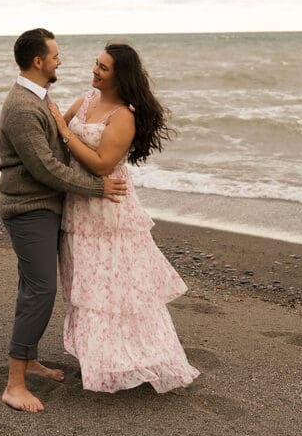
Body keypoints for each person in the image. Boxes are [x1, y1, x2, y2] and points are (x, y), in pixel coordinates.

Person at [48, 42, 200, 393]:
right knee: (87, 285)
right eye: (95, 64)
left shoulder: (124, 116)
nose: (94, 71)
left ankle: (138, 359)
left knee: (118, 287)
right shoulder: (85, 101)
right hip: (80, 206)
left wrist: (64, 130)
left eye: (103, 68)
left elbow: (102, 163)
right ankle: (101, 361)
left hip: (110, 210)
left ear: (120, 76)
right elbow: (56, 137)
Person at [0, 28, 127, 413]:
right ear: (38, 62)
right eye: (54, 55)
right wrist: (97, 187)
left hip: (43, 207)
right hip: (28, 209)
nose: (60, 60)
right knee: (40, 292)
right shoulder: (22, 106)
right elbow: (47, 169)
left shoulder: (38, 98)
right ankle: (14, 384)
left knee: (33, 288)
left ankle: (29, 359)